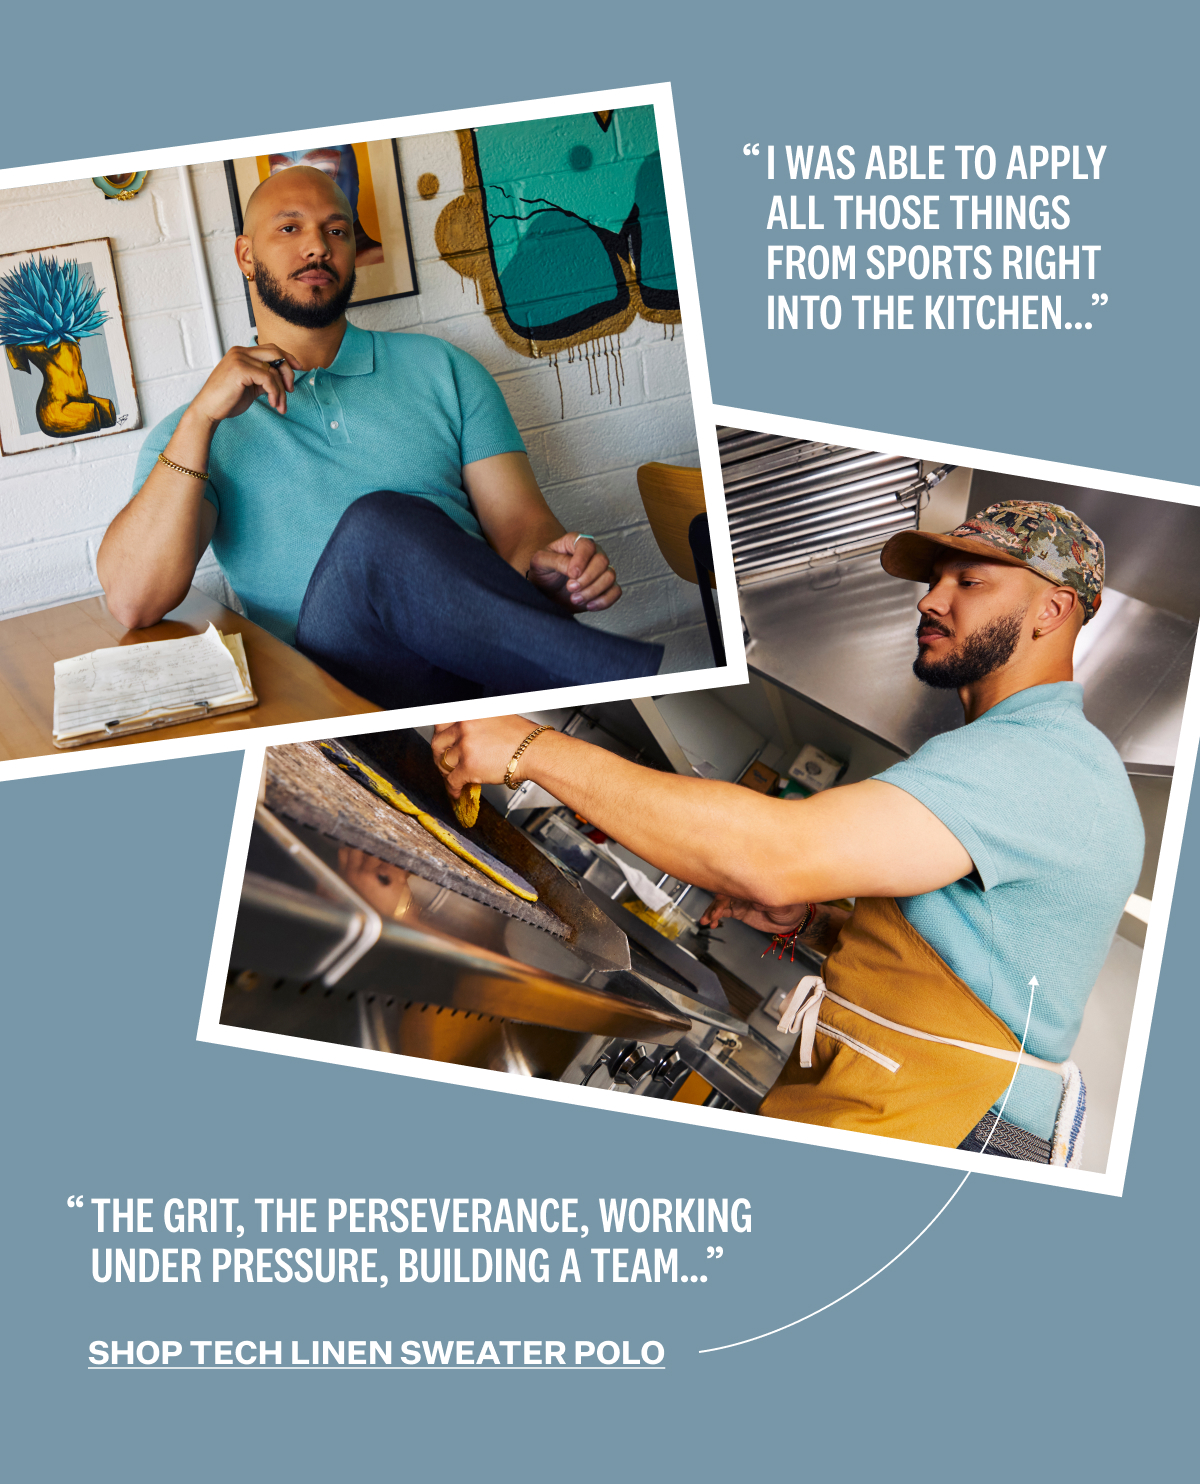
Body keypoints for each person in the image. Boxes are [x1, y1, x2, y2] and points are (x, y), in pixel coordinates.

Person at [431, 501, 1144, 1165]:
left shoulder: (1041, 758)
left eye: (970, 580)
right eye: (934, 580)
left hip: (950, 1126)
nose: (930, 599)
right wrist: (813, 921)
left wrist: (529, 747)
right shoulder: (1026, 752)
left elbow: (771, 855)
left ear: (1054, 609)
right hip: (913, 1106)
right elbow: (975, 952)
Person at [97, 165, 663, 708]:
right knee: (378, 526)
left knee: (390, 526)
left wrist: (548, 566)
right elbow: (133, 600)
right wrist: (200, 421)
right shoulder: (193, 434)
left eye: (336, 231)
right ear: (246, 255)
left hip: (476, 664)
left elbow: (520, 528)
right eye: (289, 228)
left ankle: (582, 700)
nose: (317, 246)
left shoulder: (442, 368)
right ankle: (615, 690)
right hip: (342, 695)